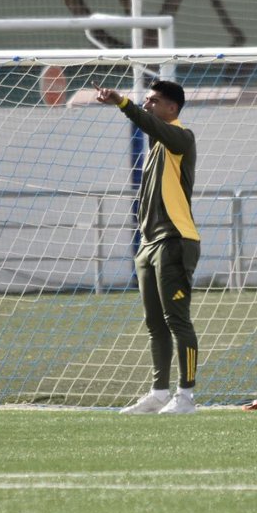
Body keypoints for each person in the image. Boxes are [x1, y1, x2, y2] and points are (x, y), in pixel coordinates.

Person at [95, 79, 202, 414]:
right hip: (149, 244)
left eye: (154, 100)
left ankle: (186, 396)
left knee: (177, 321)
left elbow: (147, 122)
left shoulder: (181, 138)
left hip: (175, 240)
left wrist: (122, 102)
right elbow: (149, 125)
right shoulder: (158, 145)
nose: (148, 105)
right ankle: (159, 393)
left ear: (172, 108)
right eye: (147, 100)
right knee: (155, 323)